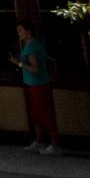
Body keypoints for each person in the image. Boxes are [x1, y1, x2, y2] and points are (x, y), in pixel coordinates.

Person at [14, 20, 62, 155]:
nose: (19, 34)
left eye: (20, 31)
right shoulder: (28, 45)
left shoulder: (32, 46)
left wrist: (19, 64)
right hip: (31, 83)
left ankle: (55, 144)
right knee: (36, 113)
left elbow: (35, 68)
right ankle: (39, 140)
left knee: (45, 113)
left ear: (28, 32)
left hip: (38, 83)